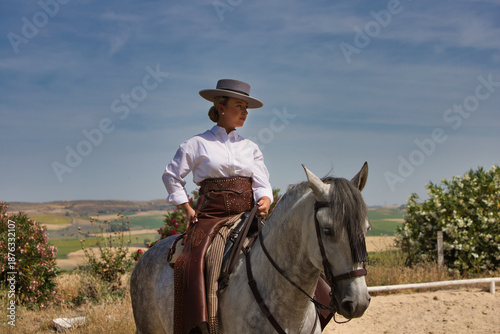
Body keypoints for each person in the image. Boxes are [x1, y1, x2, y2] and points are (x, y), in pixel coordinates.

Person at [162, 79, 273, 334]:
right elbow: (171, 176)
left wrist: (265, 199)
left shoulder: (251, 148)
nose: (244, 112)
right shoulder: (196, 144)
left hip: (247, 215)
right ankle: (201, 325)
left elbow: (262, 183)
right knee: (198, 261)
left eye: (246, 107)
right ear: (220, 107)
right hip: (210, 216)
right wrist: (188, 209)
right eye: (238, 106)